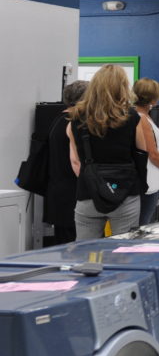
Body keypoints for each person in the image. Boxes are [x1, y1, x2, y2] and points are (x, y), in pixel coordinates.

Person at [66, 65, 159, 239]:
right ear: (123, 87)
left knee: (87, 252)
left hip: (88, 193)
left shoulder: (76, 118)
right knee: (123, 252)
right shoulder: (133, 118)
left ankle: (90, 266)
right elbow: (142, 154)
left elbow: (77, 160)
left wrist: (95, 183)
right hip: (126, 193)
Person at [44, 80, 88, 245]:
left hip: (58, 193)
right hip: (72, 194)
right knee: (74, 247)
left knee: (64, 245)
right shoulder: (74, 123)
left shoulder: (58, 120)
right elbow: (76, 161)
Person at [133, 78, 159, 225]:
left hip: (148, 181)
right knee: (142, 226)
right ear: (154, 97)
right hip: (149, 183)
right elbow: (152, 152)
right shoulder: (142, 118)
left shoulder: (140, 116)